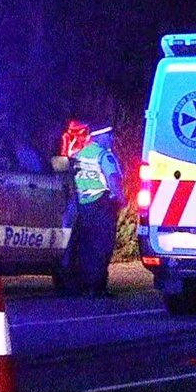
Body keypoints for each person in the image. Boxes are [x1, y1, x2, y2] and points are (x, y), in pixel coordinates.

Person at [60, 119, 125, 297]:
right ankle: (97, 287)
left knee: (86, 246)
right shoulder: (104, 155)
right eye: (110, 135)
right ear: (102, 136)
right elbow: (112, 178)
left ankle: (83, 285)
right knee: (102, 246)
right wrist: (121, 198)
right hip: (102, 205)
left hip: (83, 205)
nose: (112, 139)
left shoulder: (80, 154)